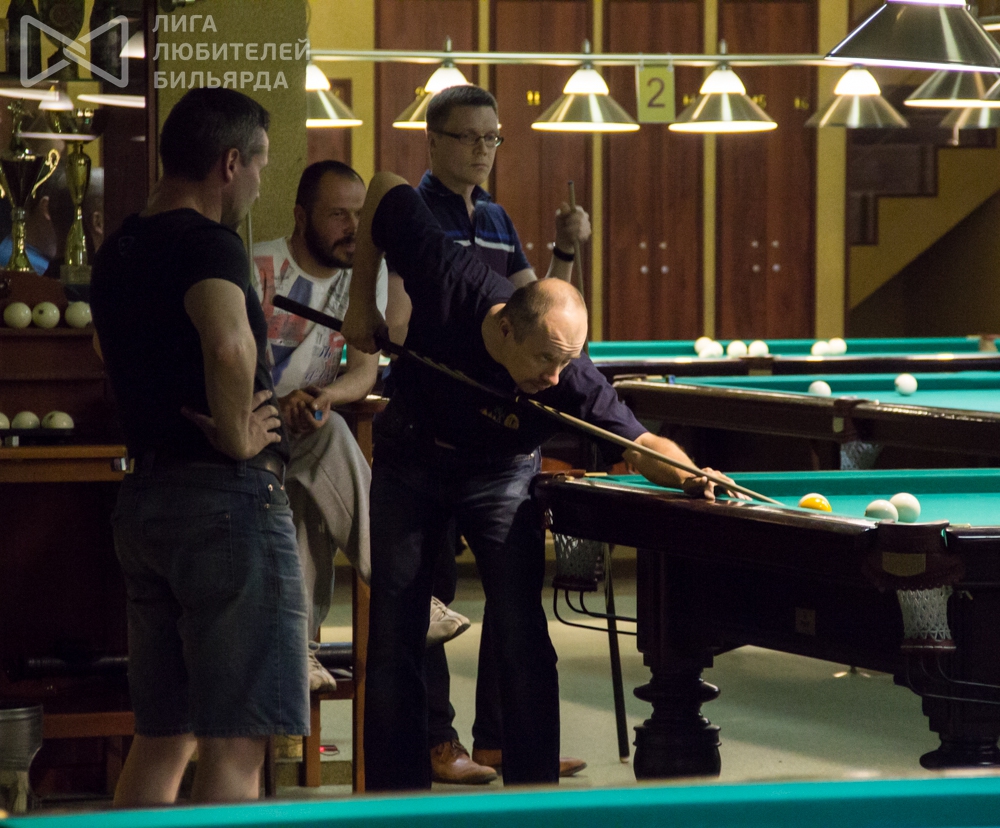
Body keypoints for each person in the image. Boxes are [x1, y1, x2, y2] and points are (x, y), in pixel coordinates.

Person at [344, 171, 739, 791]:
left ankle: (532, 795)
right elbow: (385, 188)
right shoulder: (448, 276)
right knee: (396, 630)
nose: (555, 378)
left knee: (523, 630)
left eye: (567, 362)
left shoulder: (569, 373)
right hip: (413, 457)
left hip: (502, 473)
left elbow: (638, 444)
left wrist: (690, 474)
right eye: (545, 360)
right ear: (505, 327)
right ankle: (395, 801)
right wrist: (359, 304)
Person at [90, 87, 308, 806]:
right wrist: (239, 432)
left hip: (147, 501)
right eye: (260, 165)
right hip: (224, 506)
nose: (260, 183)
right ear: (230, 162)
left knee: (164, 736)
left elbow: (105, 349)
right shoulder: (209, 243)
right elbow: (229, 341)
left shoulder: (119, 249)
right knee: (237, 744)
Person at [384, 84, 591, 785]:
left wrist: (565, 252)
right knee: (430, 600)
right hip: (433, 433)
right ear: (433, 141)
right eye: (468, 136)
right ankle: (437, 741)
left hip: (502, 443)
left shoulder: (497, 217)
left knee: (514, 605)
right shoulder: (416, 214)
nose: (482, 149)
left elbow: (538, 306)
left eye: (492, 137)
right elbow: (401, 317)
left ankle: (500, 740)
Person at [253, 159, 471, 694]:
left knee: (314, 476)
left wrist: (325, 396)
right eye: (338, 215)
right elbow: (229, 364)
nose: (353, 227)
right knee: (327, 442)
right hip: (249, 430)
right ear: (301, 217)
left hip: (304, 431)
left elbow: (364, 372)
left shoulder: (360, 279)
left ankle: (298, 652)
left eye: (359, 214)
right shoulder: (258, 266)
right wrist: (280, 404)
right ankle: (408, 597)